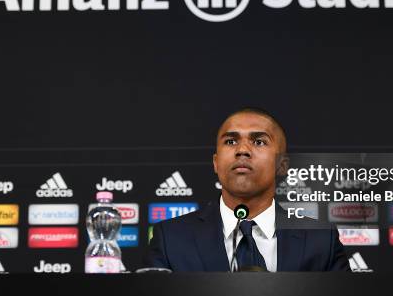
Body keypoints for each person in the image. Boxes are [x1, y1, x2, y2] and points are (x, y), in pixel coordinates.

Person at [144, 107, 349, 271]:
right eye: (231, 141)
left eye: (259, 141)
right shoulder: (171, 238)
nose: (242, 150)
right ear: (216, 163)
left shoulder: (321, 239)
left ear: (282, 165)